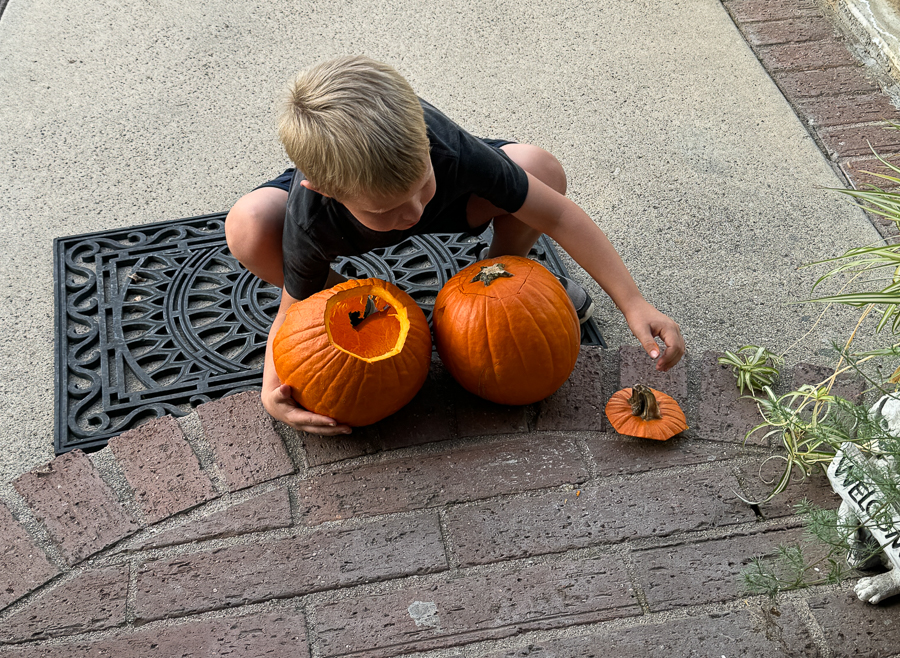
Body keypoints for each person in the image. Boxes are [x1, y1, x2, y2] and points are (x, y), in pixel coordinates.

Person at [225, 55, 685, 436]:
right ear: (324, 189)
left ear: (426, 144)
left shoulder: (448, 149)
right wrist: (273, 391)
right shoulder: (313, 214)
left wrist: (634, 303)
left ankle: (508, 275)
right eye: (387, 210)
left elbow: (560, 214)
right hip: (338, 229)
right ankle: (348, 299)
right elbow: (291, 313)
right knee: (248, 225)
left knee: (542, 170)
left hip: (457, 200)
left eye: (420, 187)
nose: (411, 214)